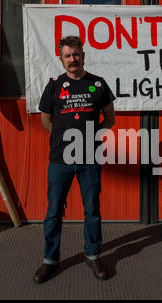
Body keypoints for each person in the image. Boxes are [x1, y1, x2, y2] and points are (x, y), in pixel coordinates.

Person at [34, 36, 116, 284]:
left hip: (89, 159)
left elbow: (109, 120)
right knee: (53, 211)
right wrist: (65, 139)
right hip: (60, 160)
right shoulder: (54, 86)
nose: (72, 59)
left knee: (92, 210)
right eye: (67, 56)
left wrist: (88, 140)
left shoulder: (98, 84)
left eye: (76, 54)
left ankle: (93, 255)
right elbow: (46, 120)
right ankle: (50, 260)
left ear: (83, 55)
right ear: (61, 59)